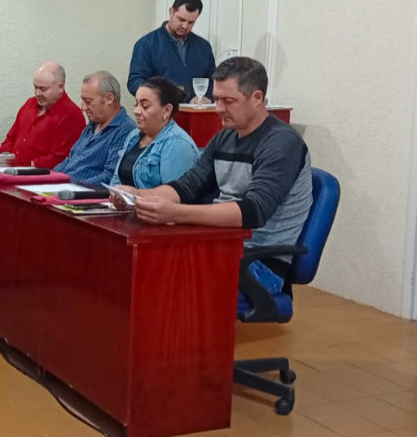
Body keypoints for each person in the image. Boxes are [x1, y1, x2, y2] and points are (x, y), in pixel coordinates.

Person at [114, 57, 312, 283]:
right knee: (130, 266)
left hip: (258, 262)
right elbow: (188, 186)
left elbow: (253, 211)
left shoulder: (282, 142)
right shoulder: (224, 138)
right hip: (217, 244)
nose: (219, 109)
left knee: (156, 277)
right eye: (217, 99)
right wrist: (138, 196)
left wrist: (175, 213)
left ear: (257, 98)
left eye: (228, 101)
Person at [109, 76, 199, 188]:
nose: (136, 111)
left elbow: (173, 194)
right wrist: (115, 192)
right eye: (136, 104)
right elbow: (116, 179)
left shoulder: (178, 143)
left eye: (145, 106)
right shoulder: (133, 136)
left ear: (166, 111)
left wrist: (135, 195)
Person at [128, 0, 216, 103]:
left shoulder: (204, 47)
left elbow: (214, 81)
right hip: (160, 110)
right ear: (171, 12)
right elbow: (135, 82)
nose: (185, 26)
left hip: (195, 111)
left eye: (191, 22)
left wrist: (207, 97)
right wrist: (159, 98)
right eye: (181, 19)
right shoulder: (146, 44)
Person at [0, 62, 84, 168]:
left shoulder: (71, 116)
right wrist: (5, 156)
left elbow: (60, 159)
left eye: (43, 89)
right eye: (35, 87)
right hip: (10, 168)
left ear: (61, 87)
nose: (37, 93)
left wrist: (26, 166)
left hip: (39, 175)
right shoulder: (29, 104)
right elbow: (10, 138)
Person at [52, 71, 134, 185]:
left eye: (88, 102)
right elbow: (70, 160)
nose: (83, 107)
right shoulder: (93, 123)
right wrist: (49, 178)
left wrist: (74, 186)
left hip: (84, 192)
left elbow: (109, 177)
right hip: (64, 188)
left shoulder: (125, 130)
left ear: (109, 98)